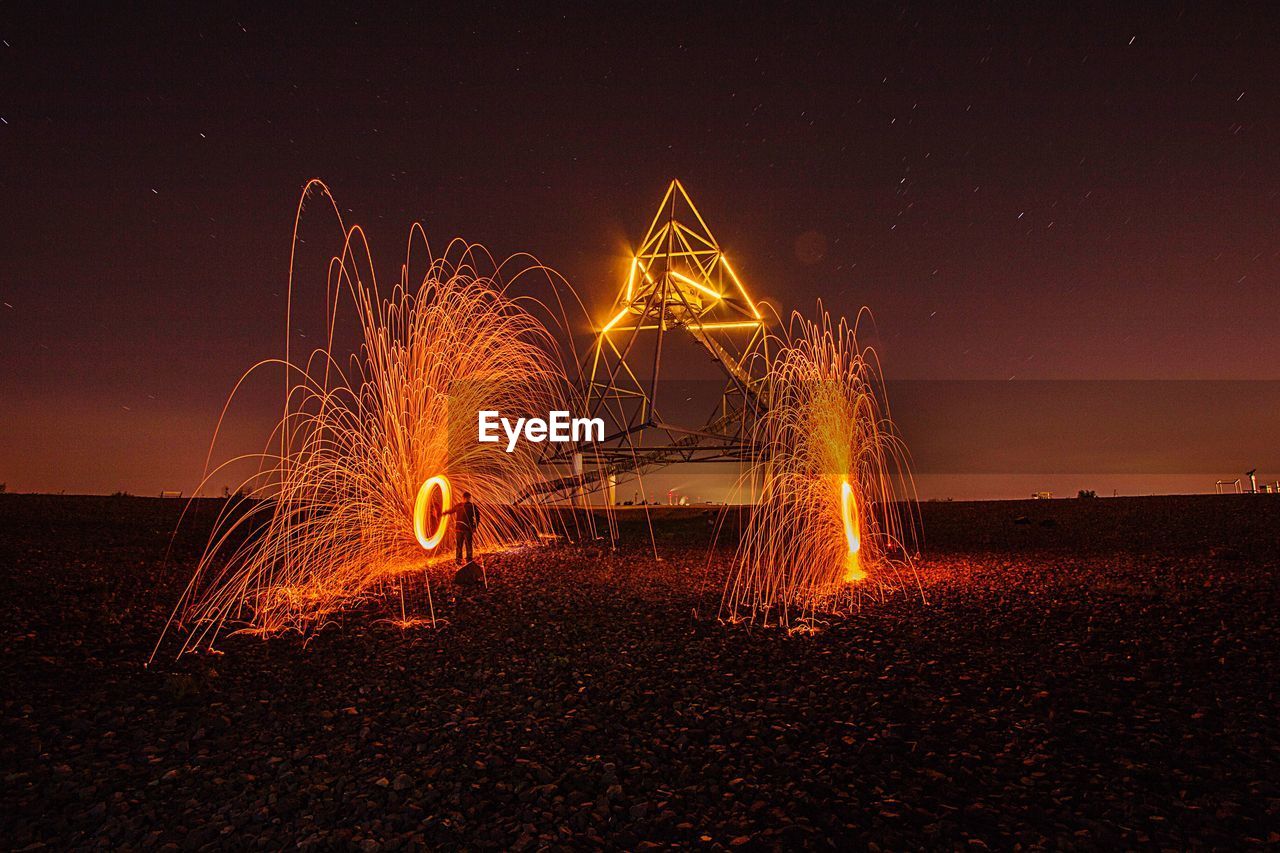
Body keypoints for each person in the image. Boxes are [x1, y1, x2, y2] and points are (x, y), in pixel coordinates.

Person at [442, 490, 480, 564]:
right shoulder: (459, 505)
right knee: (459, 545)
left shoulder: (472, 506)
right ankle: (459, 560)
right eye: (465, 498)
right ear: (463, 498)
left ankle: (468, 560)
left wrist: (475, 527)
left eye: (467, 498)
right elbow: (451, 511)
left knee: (468, 544)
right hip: (459, 529)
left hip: (467, 529)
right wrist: (444, 513)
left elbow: (477, 517)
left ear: (469, 498)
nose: (466, 499)